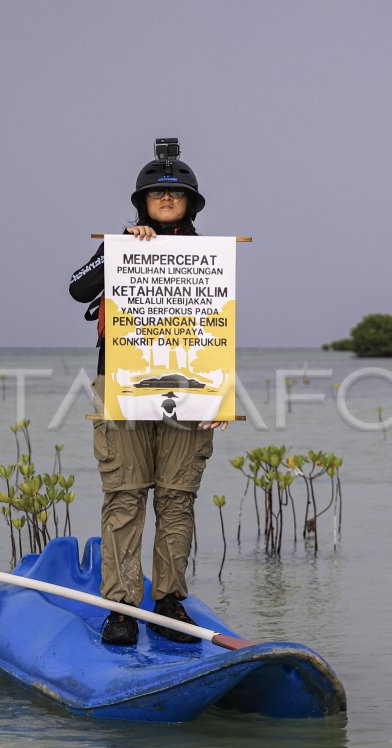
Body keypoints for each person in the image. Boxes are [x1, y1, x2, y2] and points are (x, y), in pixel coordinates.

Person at [69, 141, 227, 646]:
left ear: (190, 203)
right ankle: (120, 608)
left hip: (192, 387)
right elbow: (77, 288)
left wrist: (220, 396)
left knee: (178, 497)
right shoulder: (118, 247)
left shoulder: (210, 257)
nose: (166, 199)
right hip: (121, 384)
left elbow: (217, 329)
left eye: (175, 193)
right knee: (125, 495)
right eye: (157, 193)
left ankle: (169, 602)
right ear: (142, 202)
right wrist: (122, 250)